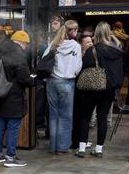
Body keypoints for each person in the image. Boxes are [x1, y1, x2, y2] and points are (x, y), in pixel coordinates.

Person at [76, 22, 124, 158]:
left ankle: (81, 148)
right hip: (108, 90)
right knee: (102, 118)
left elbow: (83, 66)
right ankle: (98, 149)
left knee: (85, 117)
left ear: (96, 34)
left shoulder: (93, 50)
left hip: (91, 88)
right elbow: (120, 72)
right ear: (109, 33)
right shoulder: (117, 51)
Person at [0, 31, 34, 167]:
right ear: (21, 42)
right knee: (13, 127)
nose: (26, 47)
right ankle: (10, 157)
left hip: (1, 95)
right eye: (26, 44)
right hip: (14, 96)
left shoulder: (0, 52)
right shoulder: (18, 55)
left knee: (1, 125)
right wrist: (31, 80)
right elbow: (24, 79)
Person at [44, 20, 82, 154]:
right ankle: (62, 147)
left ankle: (53, 146)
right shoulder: (76, 46)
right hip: (67, 82)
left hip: (52, 81)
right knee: (65, 116)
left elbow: (43, 60)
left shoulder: (54, 44)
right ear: (74, 31)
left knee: (53, 115)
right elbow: (78, 67)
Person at [71, 34, 94, 149]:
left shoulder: (91, 55)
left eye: (91, 41)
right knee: (79, 116)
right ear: (81, 44)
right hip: (78, 89)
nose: (90, 44)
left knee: (83, 116)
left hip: (85, 89)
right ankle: (78, 141)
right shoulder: (79, 56)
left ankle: (81, 140)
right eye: (87, 42)